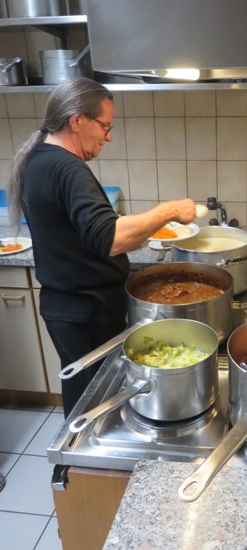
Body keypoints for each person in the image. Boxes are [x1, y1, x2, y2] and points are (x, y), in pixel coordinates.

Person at [7, 77, 196, 418]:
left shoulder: (39, 157)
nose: (108, 137)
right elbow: (111, 238)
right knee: (97, 406)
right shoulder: (67, 168)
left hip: (68, 310)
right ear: (77, 120)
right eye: (105, 126)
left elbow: (89, 232)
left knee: (82, 395)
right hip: (87, 314)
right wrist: (169, 210)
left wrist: (139, 226)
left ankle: (73, 451)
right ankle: (83, 453)